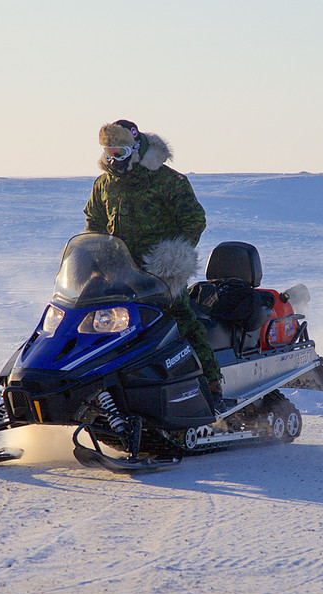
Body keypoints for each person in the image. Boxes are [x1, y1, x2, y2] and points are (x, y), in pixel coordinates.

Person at [84, 119, 230, 411]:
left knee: (181, 320)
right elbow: (94, 222)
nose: (114, 159)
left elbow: (193, 220)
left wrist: (172, 260)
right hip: (118, 273)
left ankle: (212, 385)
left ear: (136, 149)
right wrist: (94, 254)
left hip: (160, 274)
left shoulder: (167, 181)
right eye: (109, 152)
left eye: (120, 153)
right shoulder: (103, 184)